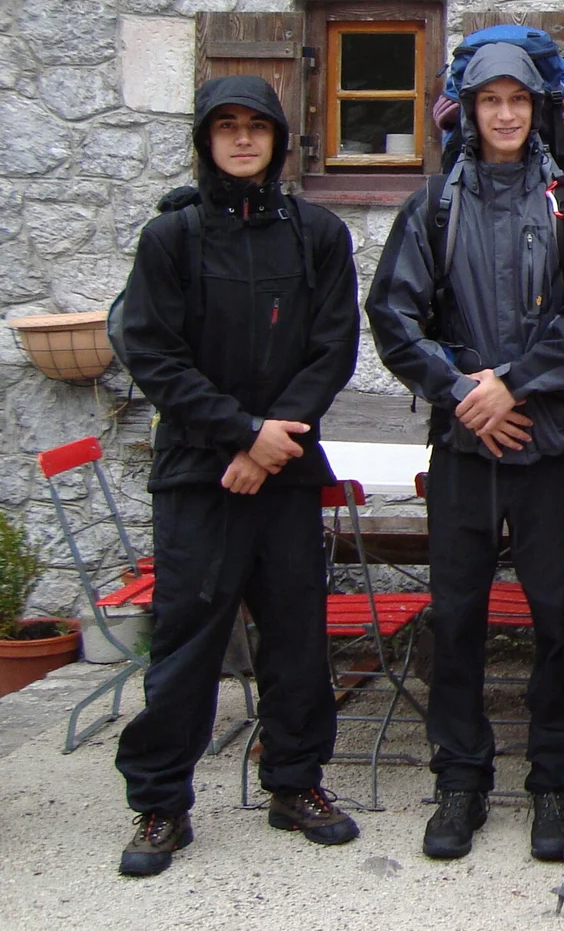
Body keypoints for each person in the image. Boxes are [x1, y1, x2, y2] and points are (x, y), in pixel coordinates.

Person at [366, 42, 564, 863]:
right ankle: (461, 777)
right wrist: (464, 395)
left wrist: (511, 386)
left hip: (544, 447)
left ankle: (553, 777)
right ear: (468, 111)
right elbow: (395, 318)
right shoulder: (432, 205)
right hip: (464, 449)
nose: (505, 114)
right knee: (459, 615)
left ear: (538, 108)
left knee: (554, 618)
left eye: (518, 99)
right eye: (489, 100)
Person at [113, 76, 361, 876]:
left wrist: (271, 441)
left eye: (258, 126)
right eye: (227, 126)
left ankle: (295, 783)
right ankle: (160, 803)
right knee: (187, 645)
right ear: (207, 138)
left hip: (283, 475)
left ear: (280, 140)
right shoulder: (172, 238)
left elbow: (332, 347)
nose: (244, 139)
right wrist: (241, 434)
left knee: (297, 638)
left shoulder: (315, 233)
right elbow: (152, 352)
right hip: (199, 475)